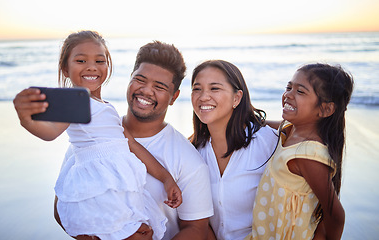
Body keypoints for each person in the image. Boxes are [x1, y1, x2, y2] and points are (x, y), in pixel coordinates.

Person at [12, 31, 183, 240]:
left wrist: (167, 179)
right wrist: (26, 120)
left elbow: (133, 146)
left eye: (99, 60)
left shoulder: (108, 108)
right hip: (99, 187)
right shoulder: (75, 103)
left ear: (107, 66)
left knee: (145, 233)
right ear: (66, 69)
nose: (91, 66)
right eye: (81, 60)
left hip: (119, 188)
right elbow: (50, 132)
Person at [244, 63, 353, 240]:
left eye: (300, 91)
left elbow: (336, 215)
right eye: (288, 87)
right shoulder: (290, 129)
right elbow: (261, 123)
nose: (288, 95)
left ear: (325, 109)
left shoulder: (308, 155)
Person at [121, 41, 214, 240]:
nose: (146, 91)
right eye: (140, 79)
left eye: (159, 87)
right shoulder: (97, 132)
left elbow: (196, 230)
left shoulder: (188, 159)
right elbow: (61, 205)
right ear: (130, 79)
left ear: (174, 97)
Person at [190, 60, 279, 240]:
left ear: (237, 98)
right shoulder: (192, 151)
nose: (203, 96)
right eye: (197, 89)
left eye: (214, 88)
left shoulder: (269, 143)